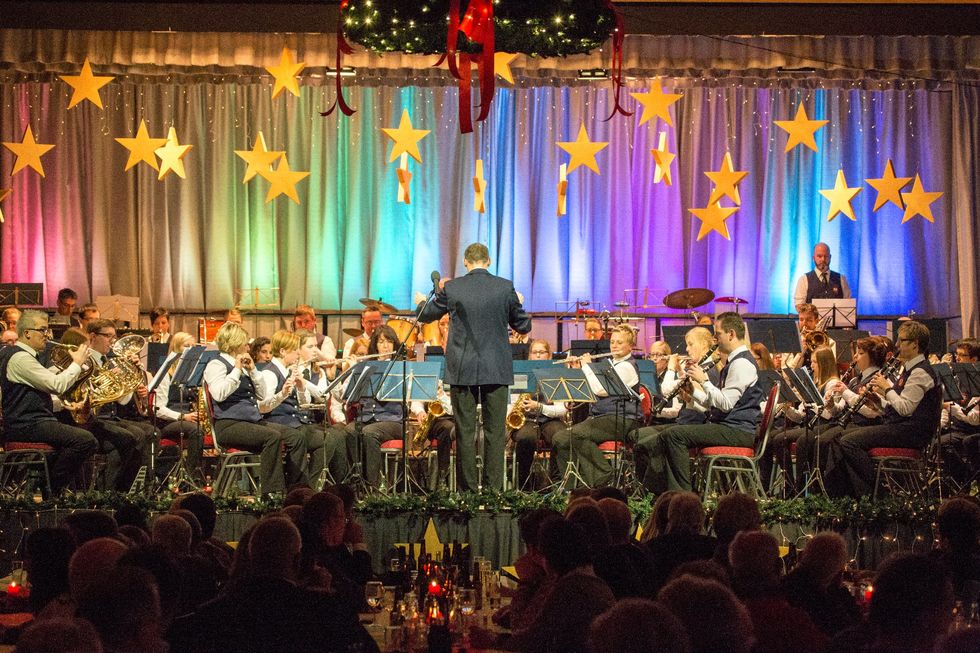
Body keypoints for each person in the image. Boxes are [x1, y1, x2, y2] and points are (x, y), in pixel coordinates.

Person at [416, 242, 532, 491]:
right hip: (496, 368)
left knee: (465, 431)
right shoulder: (505, 287)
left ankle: (467, 493)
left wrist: (421, 301)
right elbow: (523, 327)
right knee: (495, 432)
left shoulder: (453, 287)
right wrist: (518, 303)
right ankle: (493, 492)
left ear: (465, 263)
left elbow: (426, 315)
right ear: (488, 261)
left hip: (462, 369)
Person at [823, 320, 942, 497]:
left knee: (848, 442)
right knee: (840, 439)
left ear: (915, 344)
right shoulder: (909, 369)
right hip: (900, 426)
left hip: (912, 433)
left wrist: (887, 389)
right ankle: (848, 495)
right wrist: (877, 402)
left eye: (902, 341)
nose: (897, 345)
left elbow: (905, 409)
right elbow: (896, 407)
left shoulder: (920, 372)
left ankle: (878, 493)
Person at [648, 312, 763, 492]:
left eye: (718, 334)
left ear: (731, 334)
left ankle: (683, 495)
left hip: (737, 430)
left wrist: (704, 381)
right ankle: (663, 492)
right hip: (729, 427)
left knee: (674, 435)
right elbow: (718, 403)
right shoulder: (734, 362)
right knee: (669, 434)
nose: (715, 339)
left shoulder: (742, 364)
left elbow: (725, 404)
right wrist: (694, 394)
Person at [203, 321, 307, 495]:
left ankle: (298, 491)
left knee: (296, 436)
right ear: (235, 343)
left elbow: (261, 394)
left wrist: (252, 371)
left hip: (251, 421)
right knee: (271, 437)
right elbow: (219, 394)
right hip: (228, 424)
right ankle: (272, 493)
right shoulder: (217, 364)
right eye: (245, 342)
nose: (247, 345)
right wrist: (236, 370)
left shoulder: (245, 366)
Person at [0, 310, 98, 490]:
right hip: (26, 425)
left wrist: (64, 405)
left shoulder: (25, 356)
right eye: (43, 330)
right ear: (27, 333)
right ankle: (51, 490)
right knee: (85, 440)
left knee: (79, 437)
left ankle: (48, 485)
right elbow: (56, 386)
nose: (47, 335)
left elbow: (29, 396)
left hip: (32, 422)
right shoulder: (19, 358)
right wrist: (75, 364)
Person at [552, 325, 640, 488]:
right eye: (612, 341)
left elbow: (601, 389)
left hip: (622, 420)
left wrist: (587, 366)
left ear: (630, 346)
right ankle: (573, 487)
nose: (614, 345)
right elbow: (589, 390)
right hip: (602, 418)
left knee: (571, 436)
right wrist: (579, 370)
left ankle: (602, 474)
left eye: (619, 342)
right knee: (561, 439)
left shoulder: (627, 366)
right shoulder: (609, 364)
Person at [634, 327, 719, 492]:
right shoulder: (698, 367)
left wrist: (673, 368)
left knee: (647, 443)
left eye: (690, 344)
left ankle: (658, 491)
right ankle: (656, 490)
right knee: (638, 438)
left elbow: (666, 390)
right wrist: (686, 390)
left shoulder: (707, 369)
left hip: (693, 425)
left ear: (703, 345)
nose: (686, 349)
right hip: (684, 422)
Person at [260, 330, 346, 489]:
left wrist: (301, 386)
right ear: (283, 351)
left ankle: (311, 486)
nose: (298, 352)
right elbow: (264, 405)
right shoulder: (269, 373)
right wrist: (283, 393)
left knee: (331, 438)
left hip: (295, 422)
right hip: (279, 422)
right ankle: (305, 487)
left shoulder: (289, 370)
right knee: (326, 440)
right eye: (295, 349)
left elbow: (303, 402)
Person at [509, 339, 567, 489]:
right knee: (525, 438)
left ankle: (555, 485)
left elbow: (562, 409)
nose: (538, 356)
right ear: (529, 356)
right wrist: (519, 407)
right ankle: (524, 486)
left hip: (551, 419)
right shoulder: (521, 373)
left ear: (549, 356)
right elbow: (510, 404)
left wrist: (540, 407)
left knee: (560, 436)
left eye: (542, 352)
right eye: (535, 352)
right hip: (526, 419)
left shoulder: (555, 375)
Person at [152, 332, 204, 480]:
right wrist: (182, 416)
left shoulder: (193, 372)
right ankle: (191, 477)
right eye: (186, 346)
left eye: (193, 347)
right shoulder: (165, 373)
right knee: (197, 431)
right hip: (168, 421)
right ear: (176, 348)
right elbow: (159, 408)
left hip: (188, 417)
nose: (190, 351)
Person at [793, 242, 852, 310]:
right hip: (813, 320)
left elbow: (848, 305)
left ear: (830, 257)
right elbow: (799, 306)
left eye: (826, 256)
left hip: (837, 320)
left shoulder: (841, 279)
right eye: (819, 256)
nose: (823, 259)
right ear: (813, 258)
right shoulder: (804, 279)